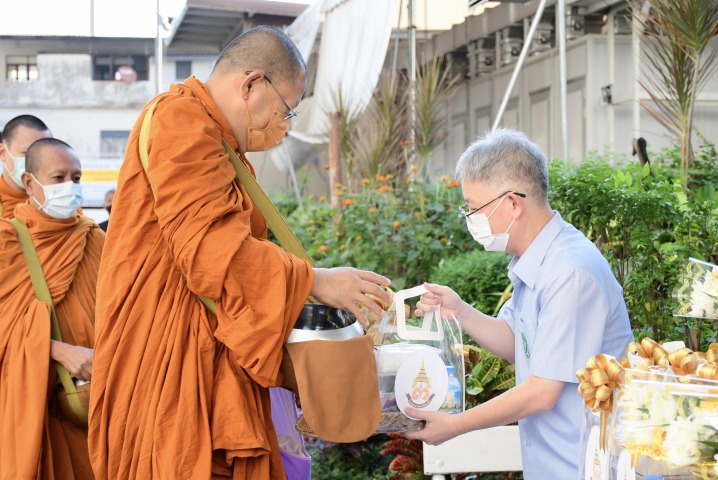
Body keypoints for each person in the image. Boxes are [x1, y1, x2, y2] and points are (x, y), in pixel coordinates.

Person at [89, 26, 391, 480]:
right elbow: (214, 251)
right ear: (251, 83)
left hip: (203, 365)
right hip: (169, 377)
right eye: (286, 109)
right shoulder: (180, 121)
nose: (284, 126)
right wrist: (318, 281)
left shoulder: (215, 138)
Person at [404, 129, 634, 479]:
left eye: (474, 209)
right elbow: (518, 343)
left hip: (583, 467)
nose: (470, 219)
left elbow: (541, 392)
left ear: (513, 203)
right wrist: (460, 311)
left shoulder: (569, 271)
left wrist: (454, 425)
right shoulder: (538, 261)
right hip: (551, 463)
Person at [0, 137, 102, 479]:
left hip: (100, 400)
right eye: (58, 178)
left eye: (76, 178)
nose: (69, 188)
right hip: (36, 406)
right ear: (30, 182)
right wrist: (58, 351)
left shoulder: (94, 237)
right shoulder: (7, 242)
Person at [0, 115, 52, 218]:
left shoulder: (57, 200)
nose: (37, 161)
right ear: (2, 153)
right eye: (26, 152)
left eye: (45, 153)